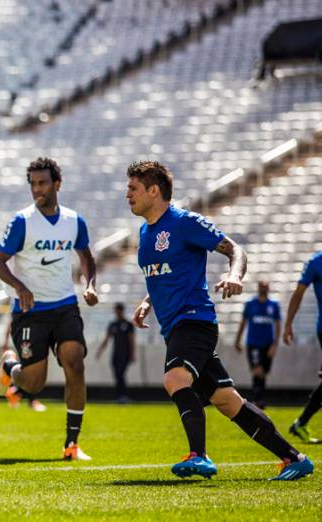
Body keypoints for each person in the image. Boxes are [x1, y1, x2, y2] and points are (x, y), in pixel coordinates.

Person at [125, 160, 312, 480]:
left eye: (133, 188)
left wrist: (234, 275)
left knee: (174, 380)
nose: (127, 195)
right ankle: (294, 458)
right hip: (176, 328)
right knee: (227, 401)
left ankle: (199, 456)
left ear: (153, 190)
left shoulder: (185, 222)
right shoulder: (145, 231)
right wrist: (147, 304)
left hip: (195, 322)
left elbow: (236, 250)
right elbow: (163, 277)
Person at [0, 157, 98, 461]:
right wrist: (19, 287)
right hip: (31, 312)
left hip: (65, 305)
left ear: (57, 184)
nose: (36, 189)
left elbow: (86, 257)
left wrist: (90, 285)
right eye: (33, 184)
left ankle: (71, 444)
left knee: (75, 362)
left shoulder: (74, 221)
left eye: (42, 183)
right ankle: (10, 366)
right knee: (34, 382)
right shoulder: (22, 221)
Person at [283, 250, 322, 444]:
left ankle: (301, 423)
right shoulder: (316, 261)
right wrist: (288, 323)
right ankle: (301, 423)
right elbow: (298, 293)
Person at [234, 281, 281, 409]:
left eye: (266, 286)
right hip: (253, 343)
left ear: (269, 288)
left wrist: (275, 345)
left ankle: (260, 399)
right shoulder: (250, 304)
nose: (264, 288)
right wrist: (237, 340)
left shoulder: (274, 305)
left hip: (268, 344)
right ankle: (257, 399)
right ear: (258, 288)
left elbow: (277, 325)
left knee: (263, 372)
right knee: (256, 370)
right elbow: (243, 322)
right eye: (262, 286)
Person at [1, 318, 46, 411]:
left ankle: (15, 392)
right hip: (26, 337)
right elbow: (12, 320)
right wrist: (5, 342)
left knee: (32, 371)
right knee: (30, 368)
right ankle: (31, 400)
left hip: (35, 337)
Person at [95, 303, 136, 403]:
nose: (116, 312)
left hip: (125, 354)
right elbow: (107, 339)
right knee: (117, 375)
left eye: (117, 310)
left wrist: (132, 353)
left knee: (121, 374)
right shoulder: (113, 324)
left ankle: (123, 396)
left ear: (121, 311)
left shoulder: (128, 324)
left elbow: (131, 340)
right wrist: (100, 350)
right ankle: (120, 396)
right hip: (115, 354)